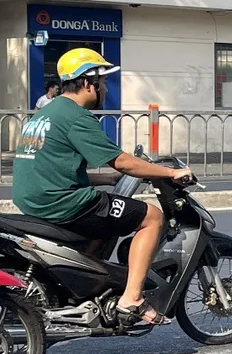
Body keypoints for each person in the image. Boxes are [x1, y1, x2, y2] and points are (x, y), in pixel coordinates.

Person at [11, 49, 193, 325]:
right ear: (87, 83)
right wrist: (170, 172)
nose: (106, 88)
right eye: (103, 82)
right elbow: (123, 162)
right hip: (63, 205)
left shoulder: (45, 115)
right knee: (151, 217)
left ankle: (86, 281)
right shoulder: (76, 117)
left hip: (36, 200)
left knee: (110, 212)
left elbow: (54, 167)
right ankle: (132, 299)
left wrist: (104, 179)